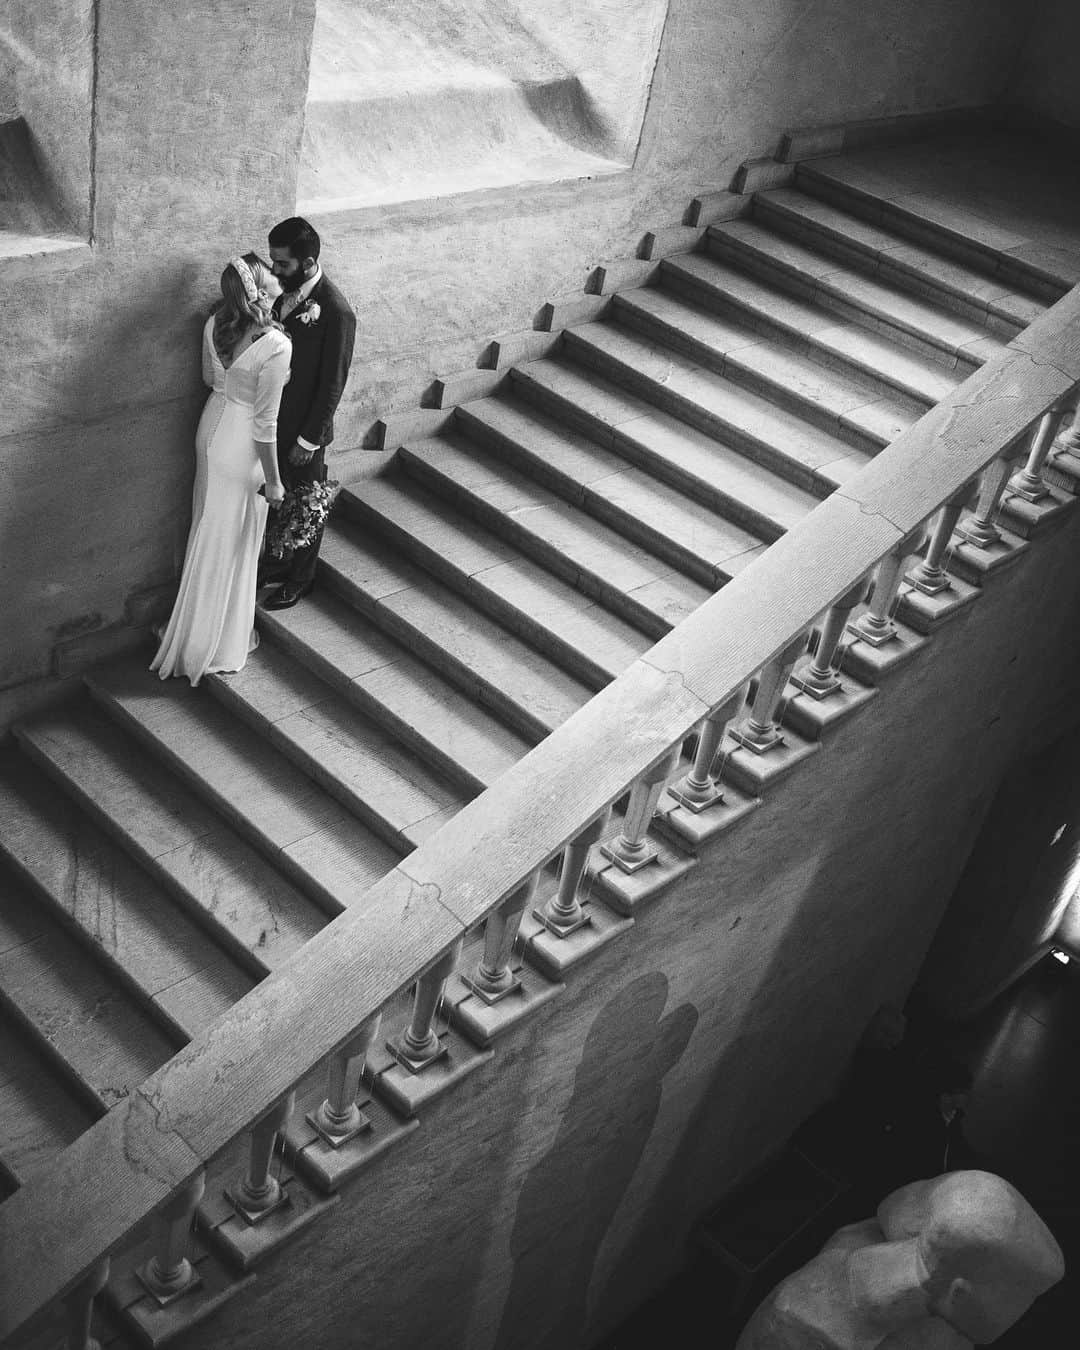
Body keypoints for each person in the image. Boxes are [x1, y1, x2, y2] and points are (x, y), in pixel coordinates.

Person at [151, 254, 289, 685]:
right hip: (243, 444)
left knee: (207, 530)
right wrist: (276, 481)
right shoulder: (276, 344)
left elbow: (212, 378)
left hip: (211, 425)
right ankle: (216, 641)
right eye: (268, 270)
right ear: (259, 290)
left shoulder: (215, 324)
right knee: (233, 540)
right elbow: (266, 424)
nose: (274, 271)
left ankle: (195, 630)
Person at [260, 216, 356, 610]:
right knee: (280, 500)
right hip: (275, 420)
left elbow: (333, 383)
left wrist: (308, 440)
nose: (275, 271)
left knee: (306, 504)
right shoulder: (286, 296)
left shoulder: (336, 312)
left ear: (309, 262)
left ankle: (302, 578)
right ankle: (279, 564)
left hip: (305, 430)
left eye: (282, 264)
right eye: (273, 262)